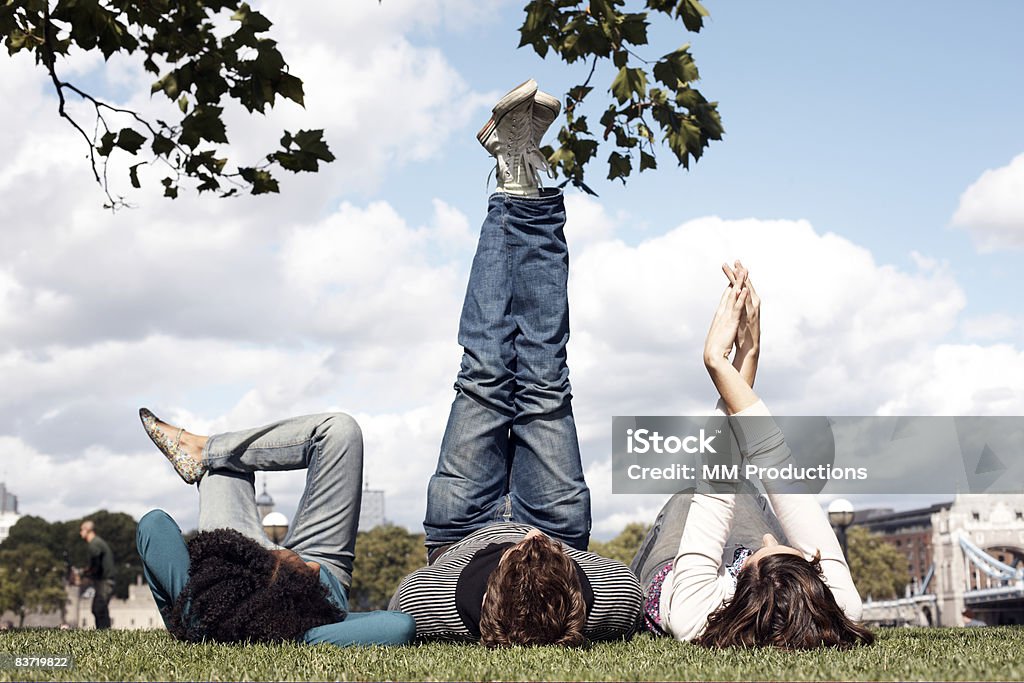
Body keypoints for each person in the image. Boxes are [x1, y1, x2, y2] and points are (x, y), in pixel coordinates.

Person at [388, 79, 643, 646]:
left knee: (485, 370)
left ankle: (513, 174)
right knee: (544, 374)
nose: (517, 545)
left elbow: (403, 596)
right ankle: (522, 174)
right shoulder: (610, 601)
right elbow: (628, 585)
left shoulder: (429, 608)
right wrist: (555, 548)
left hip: (460, 531)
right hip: (558, 527)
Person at [629, 262, 875, 649]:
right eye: (782, 546)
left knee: (689, 495)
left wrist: (716, 359)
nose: (766, 534)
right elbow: (777, 470)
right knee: (743, 489)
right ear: (814, 576)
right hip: (760, 567)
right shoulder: (840, 605)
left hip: (673, 572)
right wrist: (748, 354)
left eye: (758, 553)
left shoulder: (696, 614)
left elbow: (715, 478)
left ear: (737, 585)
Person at [135, 410, 415, 646]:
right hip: (320, 585)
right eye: (301, 574)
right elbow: (398, 626)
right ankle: (207, 451)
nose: (310, 569)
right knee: (340, 431)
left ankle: (204, 450)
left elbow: (153, 524)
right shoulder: (305, 630)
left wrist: (206, 599)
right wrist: (290, 625)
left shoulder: (203, 613)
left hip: (234, 560)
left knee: (223, 467)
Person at [79, 520, 115, 629]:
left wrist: (85, 573)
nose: (80, 533)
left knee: (99, 608)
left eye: (82, 530)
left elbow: (96, 565)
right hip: (105, 581)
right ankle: (104, 632)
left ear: (87, 530)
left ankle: (104, 633)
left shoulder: (94, 544)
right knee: (99, 608)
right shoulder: (98, 543)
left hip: (105, 582)